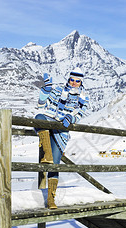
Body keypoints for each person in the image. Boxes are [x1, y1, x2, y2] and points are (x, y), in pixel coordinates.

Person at [34, 67, 89, 209]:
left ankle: (51, 199)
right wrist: (45, 92)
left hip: (61, 131)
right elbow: (41, 105)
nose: (74, 83)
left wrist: (71, 118)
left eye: (78, 81)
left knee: (55, 164)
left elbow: (80, 114)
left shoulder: (83, 98)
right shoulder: (58, 90)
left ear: (81, 82)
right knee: (39, 118)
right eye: (72, 80)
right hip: (50, 120)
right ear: (69, 79)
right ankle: (47, 154)